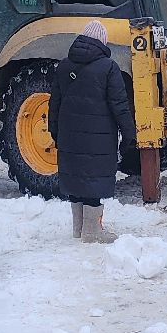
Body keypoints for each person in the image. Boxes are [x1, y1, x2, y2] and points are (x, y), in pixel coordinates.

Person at [48, 19, 135, 243]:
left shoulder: (64, 65)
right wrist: (128, 133)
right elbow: (119, 104)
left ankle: (78, 230)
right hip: (99, 137)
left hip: (69, 134)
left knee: (76, 178)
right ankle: (92, 232)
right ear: (102, 42)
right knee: (94, 181)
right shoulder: (108, 67)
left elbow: (54, 102)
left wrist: (54, 130)